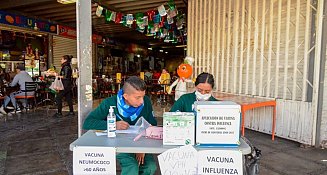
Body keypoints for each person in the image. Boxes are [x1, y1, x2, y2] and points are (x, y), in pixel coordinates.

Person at [83, 76, 157, 175]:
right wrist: (113, 124)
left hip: (141, 142)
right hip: (119, 144)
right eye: (138, 97)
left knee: (150, 167)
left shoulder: (146, 102)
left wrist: (142, 148)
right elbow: (88, 122)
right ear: (126, 96)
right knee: (132, 166)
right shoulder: (109, 103)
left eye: (143, 96)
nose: (141, 101)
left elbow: (152, 124)